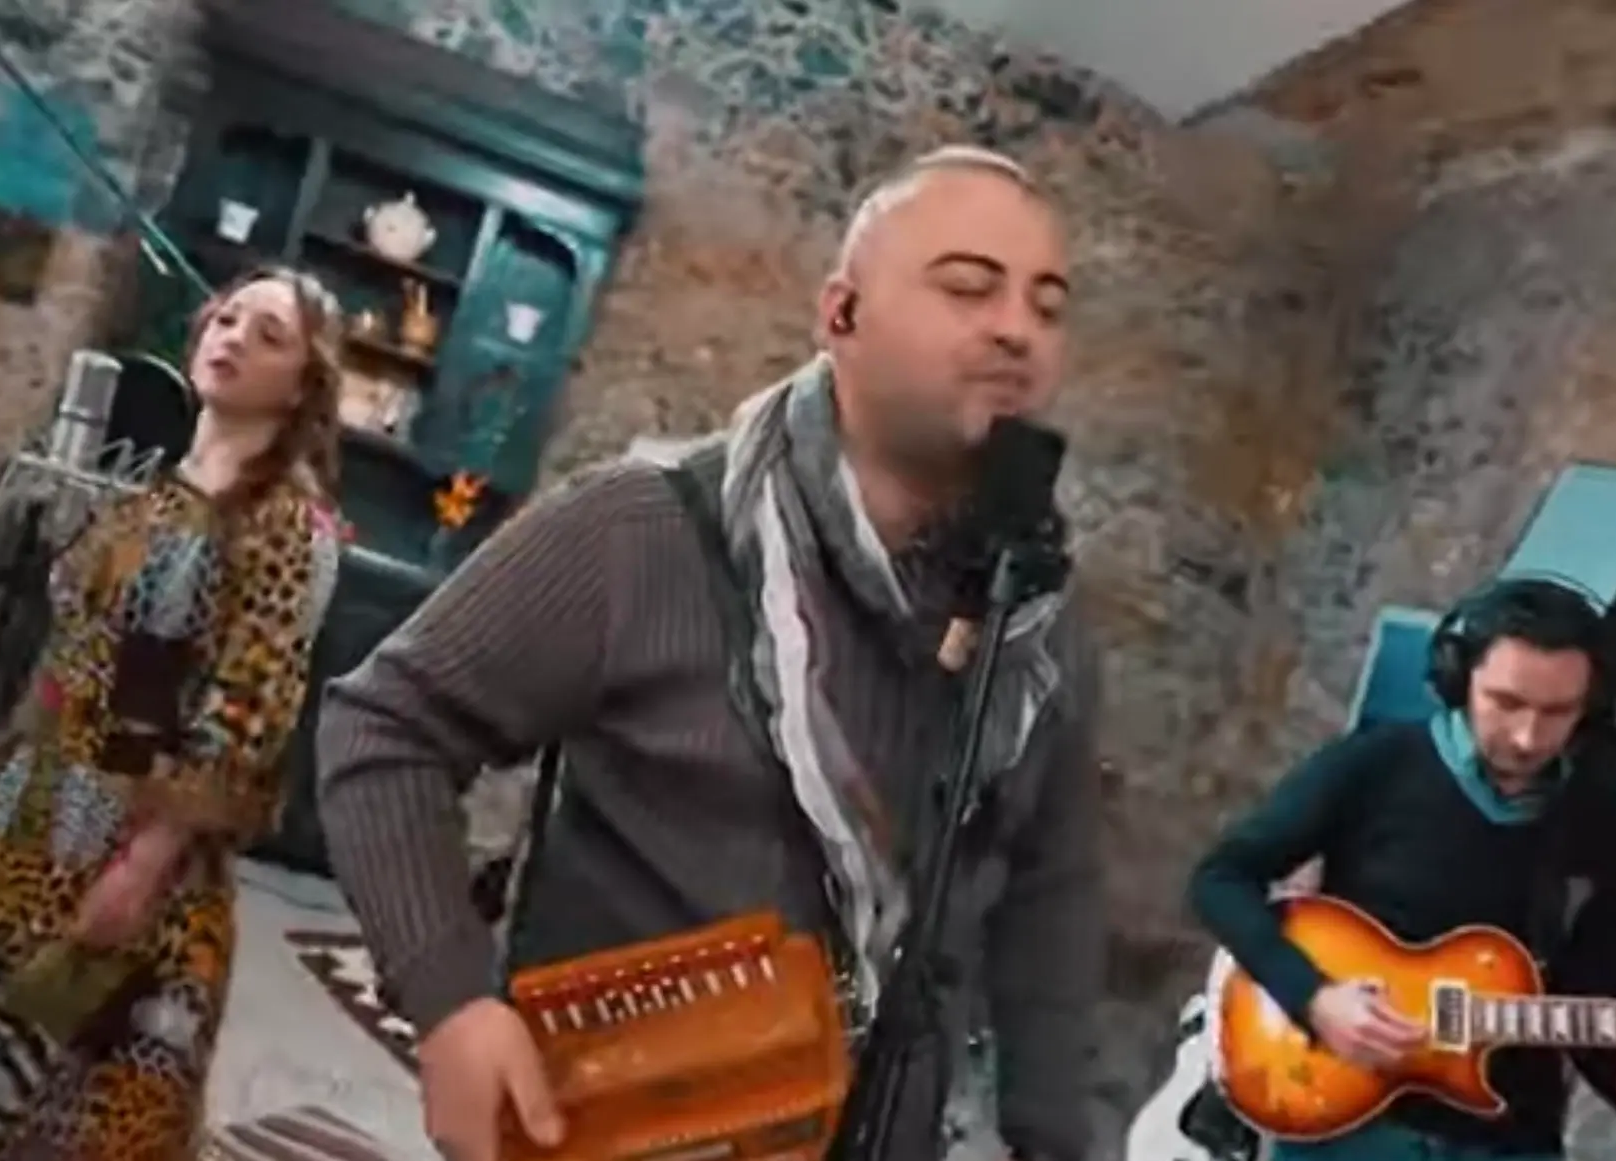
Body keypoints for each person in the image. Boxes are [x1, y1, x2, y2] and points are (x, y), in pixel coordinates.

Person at [317, 145, 1105, 1161]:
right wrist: (452, 1003)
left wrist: (1054, 1142)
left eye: (1048, 305)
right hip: (617, 1126)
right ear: (841, 314)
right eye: (968, 286)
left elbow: (1051, 896)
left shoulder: (1040, 627)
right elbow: (385, 725)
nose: (1016, 329)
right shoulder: (642, 531)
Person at [0, 266, 346, 1161]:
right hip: (23, 799)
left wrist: (142, 865)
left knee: (41, 1088)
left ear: (302, 387)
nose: (234, 337)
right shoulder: (160, 488)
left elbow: (249, 706)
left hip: (121, 829)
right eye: (228, 318)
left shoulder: (290, 525)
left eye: (269, 335)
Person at [1187, 577, 1616, 1161]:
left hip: (1509, 1136)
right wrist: (1314, 998)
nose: (1528, 737)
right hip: (1352, 1117)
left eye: (1558, 712)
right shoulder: (1375, 765)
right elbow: (1221, 879)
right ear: (1460, 679)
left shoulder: (1597, 820)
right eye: (1507, 703)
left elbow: (1592, 990)